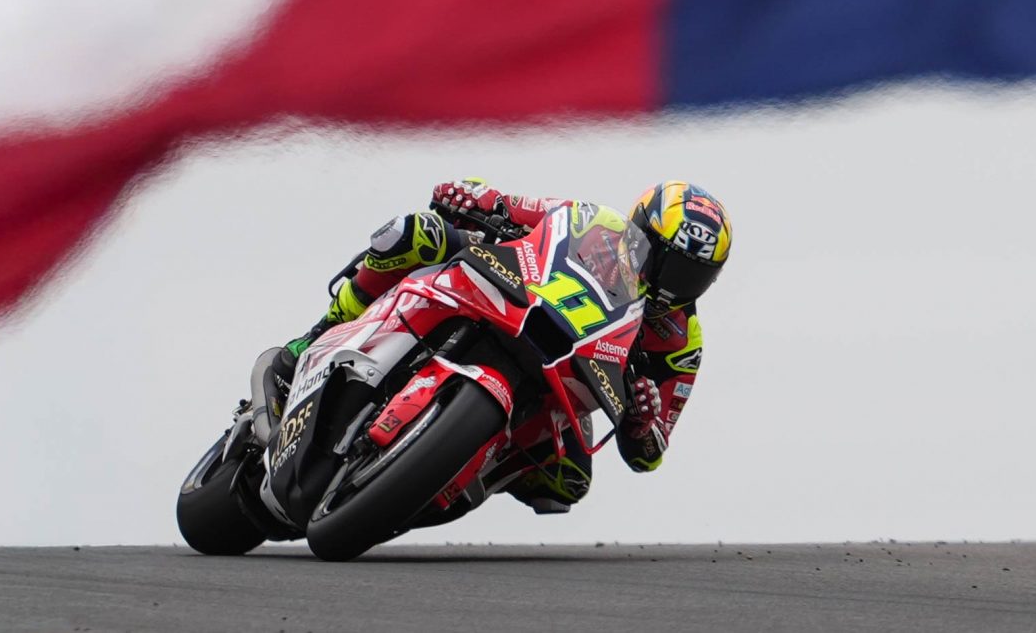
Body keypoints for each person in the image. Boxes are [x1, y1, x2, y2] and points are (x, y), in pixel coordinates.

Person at [280, 178, 730, 515]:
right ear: (640, 231)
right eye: (664, 259)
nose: (671, 283)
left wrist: (643, 422)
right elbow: (519, 207)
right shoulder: (597, 223)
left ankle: (451, 471)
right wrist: (474, 198)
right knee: (414, 233)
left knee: (567, 480)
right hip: (517, 295)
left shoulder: (681, 340)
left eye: (690, 275)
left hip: (565, 377)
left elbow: (651, 453)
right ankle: (319, 334)